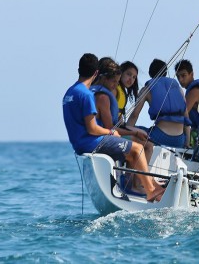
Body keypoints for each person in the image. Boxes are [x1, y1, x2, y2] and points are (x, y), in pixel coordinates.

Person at [63, 53, 164, 202]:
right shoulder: (86, 95)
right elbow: (92, 129)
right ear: (96, 73)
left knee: (131, 150)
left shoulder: (69, 92)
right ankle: (150, 191)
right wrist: (111, 132)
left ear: (79, 70)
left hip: (78, 143)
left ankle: (143, 186)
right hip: (91, 142)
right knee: (137, 149)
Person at [92, 58, 154, 194]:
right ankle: (135, 184)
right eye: (128, 74)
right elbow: (111, 124)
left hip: (114, 128)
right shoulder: (114, 91)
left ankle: (134, 180)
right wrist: (133, 132)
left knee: (144, 137)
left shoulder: (119, 91)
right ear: (120, 73)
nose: (131, 79)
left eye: (134, 77)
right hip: (110, 132)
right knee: (147, 145)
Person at [126, 59, 188, 148]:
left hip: (159, 136)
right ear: (165, 73)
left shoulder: (146, 89)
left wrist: (125, 130)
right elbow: (186, 117)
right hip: (179, 140)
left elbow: (134, 115)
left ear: (150, 73)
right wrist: (187, 142)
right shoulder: (179, 89)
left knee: (130, 130)